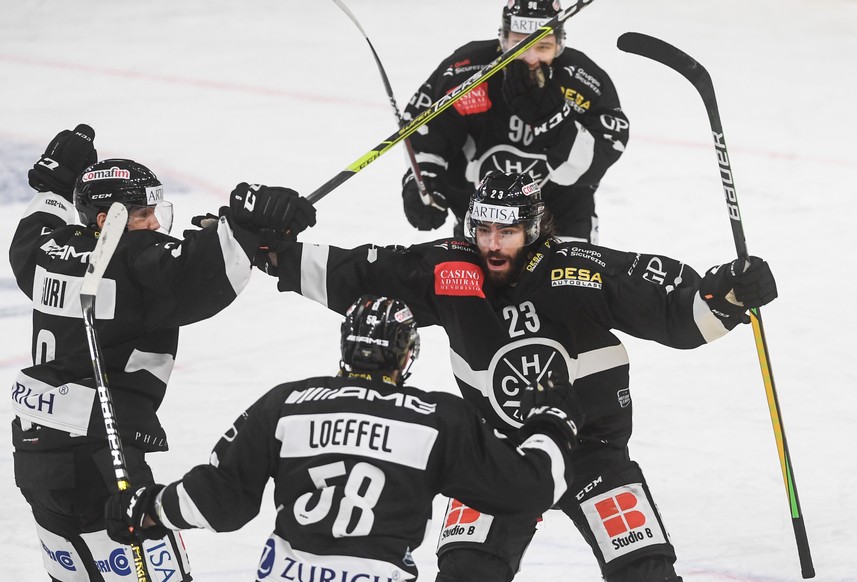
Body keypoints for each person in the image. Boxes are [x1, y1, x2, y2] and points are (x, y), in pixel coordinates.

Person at [252, 170, 777, 581]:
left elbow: (676, 315)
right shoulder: (450, 272)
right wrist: (268, 248)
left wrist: (727, 294)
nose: (493, 244)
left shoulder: (580, 271)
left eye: (507, 231)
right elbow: (359, 273)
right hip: (494, 459)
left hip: (590, 453)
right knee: (466, 576)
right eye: (482, 229)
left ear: (534, 228)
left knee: (646, 575)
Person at [9, 124, 317, 582]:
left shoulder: (43, 249)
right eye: (140, 215)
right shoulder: (130, 263)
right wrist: (248, 227)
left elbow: (36, 225)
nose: (153, 224)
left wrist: (54, 184)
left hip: (35, 455)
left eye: (154, 211)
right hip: (102, 456)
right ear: (104, 222)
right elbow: (201, 276)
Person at [104, 294, 583, 582]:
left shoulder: (286, 404)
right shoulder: (438, 417)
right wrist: (552, 422)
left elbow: (221, 502)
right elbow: (528, 491)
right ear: (407, 355)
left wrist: (151, 508)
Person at [401, 0, 629, 242]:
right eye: (520, 44)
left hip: (562, 218)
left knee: (568, 279)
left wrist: (552, 118)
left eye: (543, 46)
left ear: (559, 45)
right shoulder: (467, 72)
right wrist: (423, 183)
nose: (530, 58)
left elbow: (590, 166)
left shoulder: (584, 81)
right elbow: (427, 133)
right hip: (484, 221)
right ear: (503, 39)